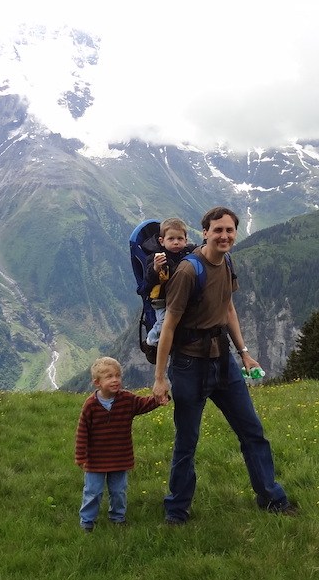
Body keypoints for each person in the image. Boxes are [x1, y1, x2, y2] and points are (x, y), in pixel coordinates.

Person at [151, 206, 297, 524]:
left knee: (252, 431)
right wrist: (160, 378)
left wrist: (244, 353)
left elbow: (228, 307)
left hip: (223, 361)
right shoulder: (188, 272)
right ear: (205, 233)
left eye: (229, 230)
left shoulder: (227, 262)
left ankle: (272, 499)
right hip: (189, 365)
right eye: (218, 230)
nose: (224, 236)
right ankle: (176, 510)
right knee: (187, 442)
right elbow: (169, 327)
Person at [75, 356, 167, 531]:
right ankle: (87, 521)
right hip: (95, 460)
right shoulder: (90, 405)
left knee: (118, 491)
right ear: (97, 383)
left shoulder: (127, 399)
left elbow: (144, 404)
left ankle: (118, 518)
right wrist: (81, 456)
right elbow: (82, 432)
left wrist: (158, 399)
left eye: (118, 375)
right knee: (93, 492)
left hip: (120, 457)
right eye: (109, 377)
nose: (115, 380)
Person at [143, 217, 198, 348]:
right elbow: (148, 279)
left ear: (186, 240)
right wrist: (155, 268)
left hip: (180, 298)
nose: (176, 242)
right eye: (171, 239)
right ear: (162, 241)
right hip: (162, 301)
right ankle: (152, 340)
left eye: (180, 239)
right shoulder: (156, 257)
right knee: (164, 323)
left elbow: (201, 250)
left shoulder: (188, 252)